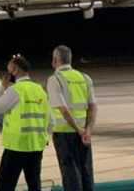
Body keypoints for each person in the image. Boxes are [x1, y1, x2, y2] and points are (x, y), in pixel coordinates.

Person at [0, 55, 51, 191]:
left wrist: (2, 88)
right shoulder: (40, 90)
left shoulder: (15, 90)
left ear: (15, 70)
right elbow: (49, 117)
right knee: (34, 184)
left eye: (9, 70)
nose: (7, 74)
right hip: (36, 145)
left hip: (17, 146)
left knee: (4, 183)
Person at [48, 45, 97, 191]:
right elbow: (93, 107)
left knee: (71, 176)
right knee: (86, 173)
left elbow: (64, 110)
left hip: (65, 134)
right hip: (84, 135)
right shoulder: (84, 78)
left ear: (55, 60)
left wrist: (78, 129)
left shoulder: (55, 79)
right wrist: (87, 130)